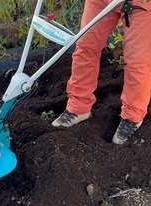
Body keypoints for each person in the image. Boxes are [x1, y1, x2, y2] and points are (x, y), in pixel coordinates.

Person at [52, 0, 151, 144]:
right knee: (86, 47)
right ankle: (78, 107)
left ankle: (132, 116)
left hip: (140, 3)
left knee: (138, 61)